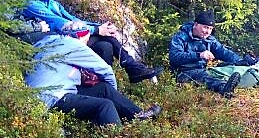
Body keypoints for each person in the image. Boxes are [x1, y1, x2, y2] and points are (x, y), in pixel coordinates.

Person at [22, 0, 162, 83]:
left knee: (105, 46)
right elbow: (60, 23)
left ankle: (106, 82)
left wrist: (100, 27)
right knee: (107, 39)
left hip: (68, 37)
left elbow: (73, 19)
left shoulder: (52, 3)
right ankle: (131, 68)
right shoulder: (30, 4)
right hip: (57, 41)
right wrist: (98, 30)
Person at [25, 31, 161, 126]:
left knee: (103, 89)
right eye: (86, 40)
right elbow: (106, 70)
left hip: (40, 96)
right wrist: (114, 96)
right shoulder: (72, 45)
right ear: (80, 37)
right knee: (105, 105)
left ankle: (138, 116)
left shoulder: (46, 45)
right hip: (51, 98)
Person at [168, 11, 246, 97]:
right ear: (196, 24)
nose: (208, 32)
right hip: (182, 72)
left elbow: (223, 52)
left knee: (222, 68)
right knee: (204, 77)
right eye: (205, 27)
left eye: (210, 29)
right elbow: (174, 57)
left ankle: (233, 83)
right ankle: (224, 88)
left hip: (202, 70)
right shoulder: (180, 37)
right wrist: (199, 55)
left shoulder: (209, 39)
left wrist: (240, 60)